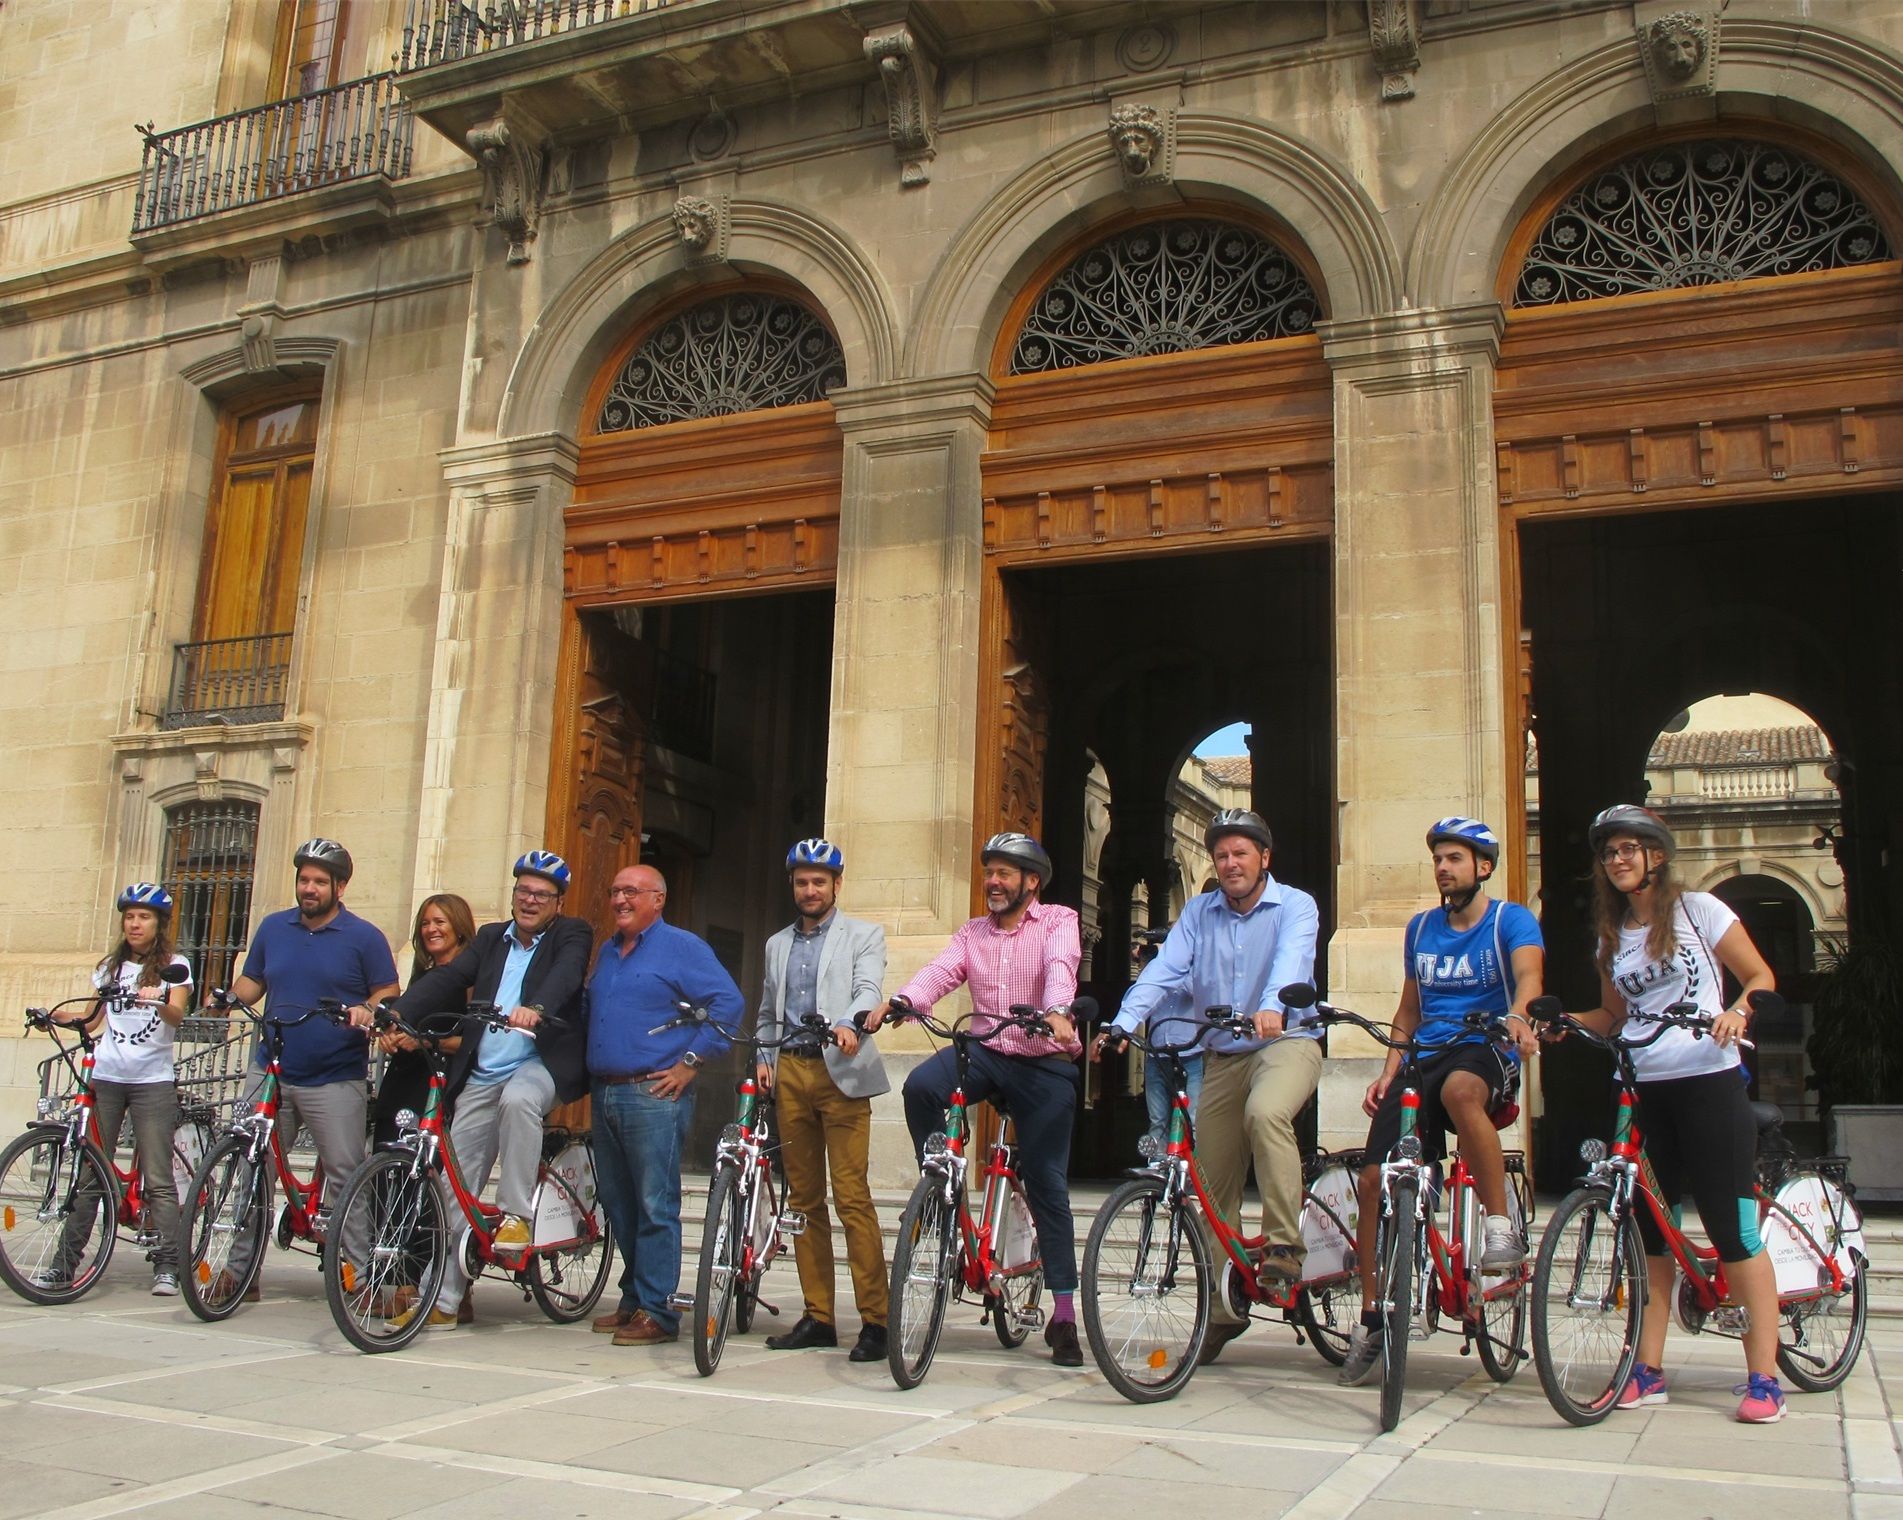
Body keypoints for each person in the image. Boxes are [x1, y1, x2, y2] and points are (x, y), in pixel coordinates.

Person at [1566, 803, 1785, 1424]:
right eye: (1609, 852)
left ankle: (1765, 1379)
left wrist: (1740, 1011)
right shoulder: (1613, 938)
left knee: (1732, 1229)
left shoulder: (1699, 911)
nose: (1617, 860)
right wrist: (1551, 1025)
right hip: (1640, 1088)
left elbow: (1759, 975)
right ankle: (1648, 1368)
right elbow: (1612, 1017)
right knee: (1650, 1237)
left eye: (1628, 849)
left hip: (1709, 1081)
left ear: (1656, 855)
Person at [1093, 807, 1320, 1365]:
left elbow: (1292, 964)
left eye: (1241, 853)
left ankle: (1285, 1245)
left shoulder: (1296, 906)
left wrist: (1272, 1008)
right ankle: (1222, 1310)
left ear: (1264, 858)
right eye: (1221, 855)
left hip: (1286, 1042)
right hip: (1223, 1055)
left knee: (1265, 1114)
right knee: (1212, 1185)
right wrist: (1123, 1022)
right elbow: (1166, 968)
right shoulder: (1199, 912)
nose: (1229, 863)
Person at [867, 831, 1086, 1367]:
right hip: (987, 1050)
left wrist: (1058, 1010)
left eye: (1004, 872)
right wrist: (902, 1000)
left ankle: (1063, 1314)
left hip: (1044, 1059)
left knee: (1047, 1183)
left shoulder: (1057, 921)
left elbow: (1062, 966)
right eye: (989, 871)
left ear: (1030, 883)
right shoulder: (973, 932)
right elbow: (942, 971)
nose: (992, 881)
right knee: (921, 1085)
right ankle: (941, 1183)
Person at [1338, 817, 1543, 1386]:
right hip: (1424, 1054)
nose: (1443, 868)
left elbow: (1528, 978)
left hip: (1486, 1050)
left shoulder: (1510, 920)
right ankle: (1373, 1317)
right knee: (1373, 1179)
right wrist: (1387, 1072)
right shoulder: (1421, 928)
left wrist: (1520, 1015)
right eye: (1438, 859)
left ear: (1483, 867)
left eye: (1455, 858)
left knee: (1458, 1092)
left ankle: (1499, 1224)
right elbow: (1409, 1010)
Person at [392, 852, 592, 1330]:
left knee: (520, 1099)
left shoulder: (572, 932)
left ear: (558, 902)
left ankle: (516, 1215)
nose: (529, 900)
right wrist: (398, 1011)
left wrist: (536, 1007)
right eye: (523, 891)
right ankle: (441, 1301)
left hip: (539, 1060)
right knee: (452, 1185)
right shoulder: (489, 938)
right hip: (484, 1070)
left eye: (541, 894)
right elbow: (448, 977)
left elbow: (566, 974)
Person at [219, 838, 398, 1296]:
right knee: (253, 1169)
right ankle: (239, 1275)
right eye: (304, 879)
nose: (309, 888)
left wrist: (367, 1011)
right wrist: (227, 997)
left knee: (345, 1174)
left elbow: (388, 993)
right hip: (271, 1067)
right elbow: (253, 981)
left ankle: (360, 1278)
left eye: (320, 881)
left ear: (340, 886)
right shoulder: (274, 927)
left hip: (334, 1074)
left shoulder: (365, 937)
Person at [587, 863, 742, 1347]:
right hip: (606, 1089)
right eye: (615, 891)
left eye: (632, 892)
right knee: (618, 1201)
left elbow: (728, 1004)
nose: (620, 900)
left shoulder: (682, 947)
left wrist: (691, 1062)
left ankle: (659, 1312)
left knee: (656, 1204)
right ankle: (635, 1296)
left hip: (652, 1094)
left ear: (659, 899)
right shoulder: (609, 951)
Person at [754, 839, 890, 1362]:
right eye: (801, 881)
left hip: (843, 1072)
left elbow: (867, 988)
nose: (809, 890)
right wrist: (765, 1057)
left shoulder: (864, 934)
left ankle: (875, 1320)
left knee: (851, 1197)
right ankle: (818, 1316)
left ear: (837, 884)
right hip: (791, 1071)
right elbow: (770, 1008)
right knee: (803, 1201)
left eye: (819, 881)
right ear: (792, 885)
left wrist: (847, 1022)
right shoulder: (776, 944)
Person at [62, 884, 195, 1295]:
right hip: (108, 1077)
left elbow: (177, 1016)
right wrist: (60, 1018)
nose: (135, 924)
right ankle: (64, 1265)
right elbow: (93, 1021)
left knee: (157, 1177)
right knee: (90, 1175)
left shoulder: (175, 965)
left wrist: (155, 998)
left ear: (159, 924)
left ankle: (168, 1266)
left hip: (152, 1081)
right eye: (130, 917)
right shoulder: (109, 968)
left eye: (145, 917)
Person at [372, 893, 475, 1150]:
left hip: (438, 1085)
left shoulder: (472, 981)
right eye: (425, 923)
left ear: (459, 928)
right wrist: (390, 1038)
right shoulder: (422, 977)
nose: (431, 929)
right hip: (403, 1081)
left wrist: (427, 1042)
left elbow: (475, 1041)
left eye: (440, 922)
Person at [1131, 927, 1202, 1153]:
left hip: (1189, 1056)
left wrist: (1172, 962)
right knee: (1158, 1120)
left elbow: (1196, 991)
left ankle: (1192, 1176)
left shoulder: (1193, 967)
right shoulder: (1153, 969)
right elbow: (1141, 997)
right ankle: (1157, 1177)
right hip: (1157, 1056)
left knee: (1191, 1120)